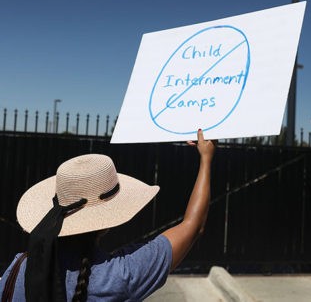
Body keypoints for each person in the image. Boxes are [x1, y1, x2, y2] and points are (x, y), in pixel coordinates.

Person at [0, 129, 215, 301]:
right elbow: (193, 226)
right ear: (106, 223)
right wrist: (206, 159)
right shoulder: (118, 277)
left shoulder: (17, 268)